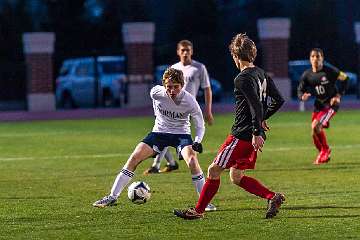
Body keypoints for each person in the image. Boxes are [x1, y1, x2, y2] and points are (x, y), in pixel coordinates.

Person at [173, 33, 285, 220]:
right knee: (236, 176)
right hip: (251, 133)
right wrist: (262, 119)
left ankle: (198, 211)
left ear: (235, 55)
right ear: (252, 54)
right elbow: (278, 100)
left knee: (213, 170)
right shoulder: (261, 73)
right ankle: (272, 197)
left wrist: (256, 130)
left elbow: (256, 104)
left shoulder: (241, 78)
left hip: (242, 135)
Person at [93, 68, 215, 211]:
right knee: (134, 157)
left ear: (182, 85)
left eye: (176, 87)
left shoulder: (190, 101)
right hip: (159, 132)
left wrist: (197, 141)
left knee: (193, 161)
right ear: (164, 85)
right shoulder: (156, 93)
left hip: (181, 134)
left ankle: (204, 202)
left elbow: (200, 125)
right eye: (169, 87)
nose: (172, 91)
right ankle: (112, 197)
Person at [144, 40, 214, 175]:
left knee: (180, 137)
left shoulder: (199, 68)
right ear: (178, 52)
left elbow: (207, 88)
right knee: (164, 133)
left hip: (187, 108)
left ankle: (167, 164)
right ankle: (163, 164)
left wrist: (208, 110)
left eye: (188, 50)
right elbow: (164, 89)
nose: (185, 52)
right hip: (170, 108)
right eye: (183, 50)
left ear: (192, 51)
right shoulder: (174, 68)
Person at [297, 48, 348, 165]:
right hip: (319, 106)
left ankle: (325, 150)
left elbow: (345, 79)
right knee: (314, 132)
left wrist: (338, 96)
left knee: (316, 126)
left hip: (331, 105)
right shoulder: (307, 75)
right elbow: (300, 89)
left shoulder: (330, 71)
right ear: (310, 59)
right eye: (313, 56)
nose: (315, 59)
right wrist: (302, 96)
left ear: (322, 59)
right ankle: (323, 152)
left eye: (318, 56)